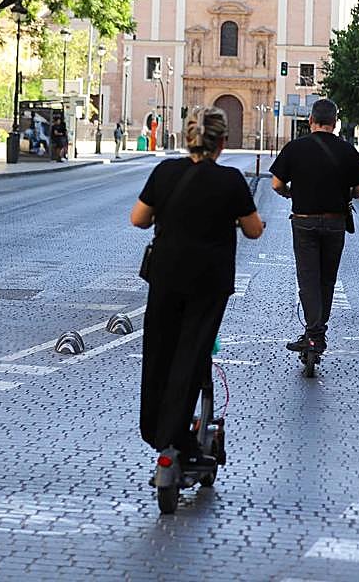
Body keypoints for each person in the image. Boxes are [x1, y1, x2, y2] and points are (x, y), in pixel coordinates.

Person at [130, 106, 265, 468]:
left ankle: (155, 429)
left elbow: (138, 218)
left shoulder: (166, 172)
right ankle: (178, 435)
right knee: (192, 353)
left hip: (165, 276)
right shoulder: (231, 180)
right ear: (222, 142)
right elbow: (253, 230)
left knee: (160, 351)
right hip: (209, 281)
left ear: (187, 136)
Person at [271, 98, 359, 354]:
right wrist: (347, 195)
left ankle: (314, 335)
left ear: (310, 121)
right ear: (335, 123)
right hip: (335, 222)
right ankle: (316, 333)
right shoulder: (347, 150)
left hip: (303, 223)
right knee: (327, 280)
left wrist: (289, 193)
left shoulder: (295, 148)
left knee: (308, 279)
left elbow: (276, 184)